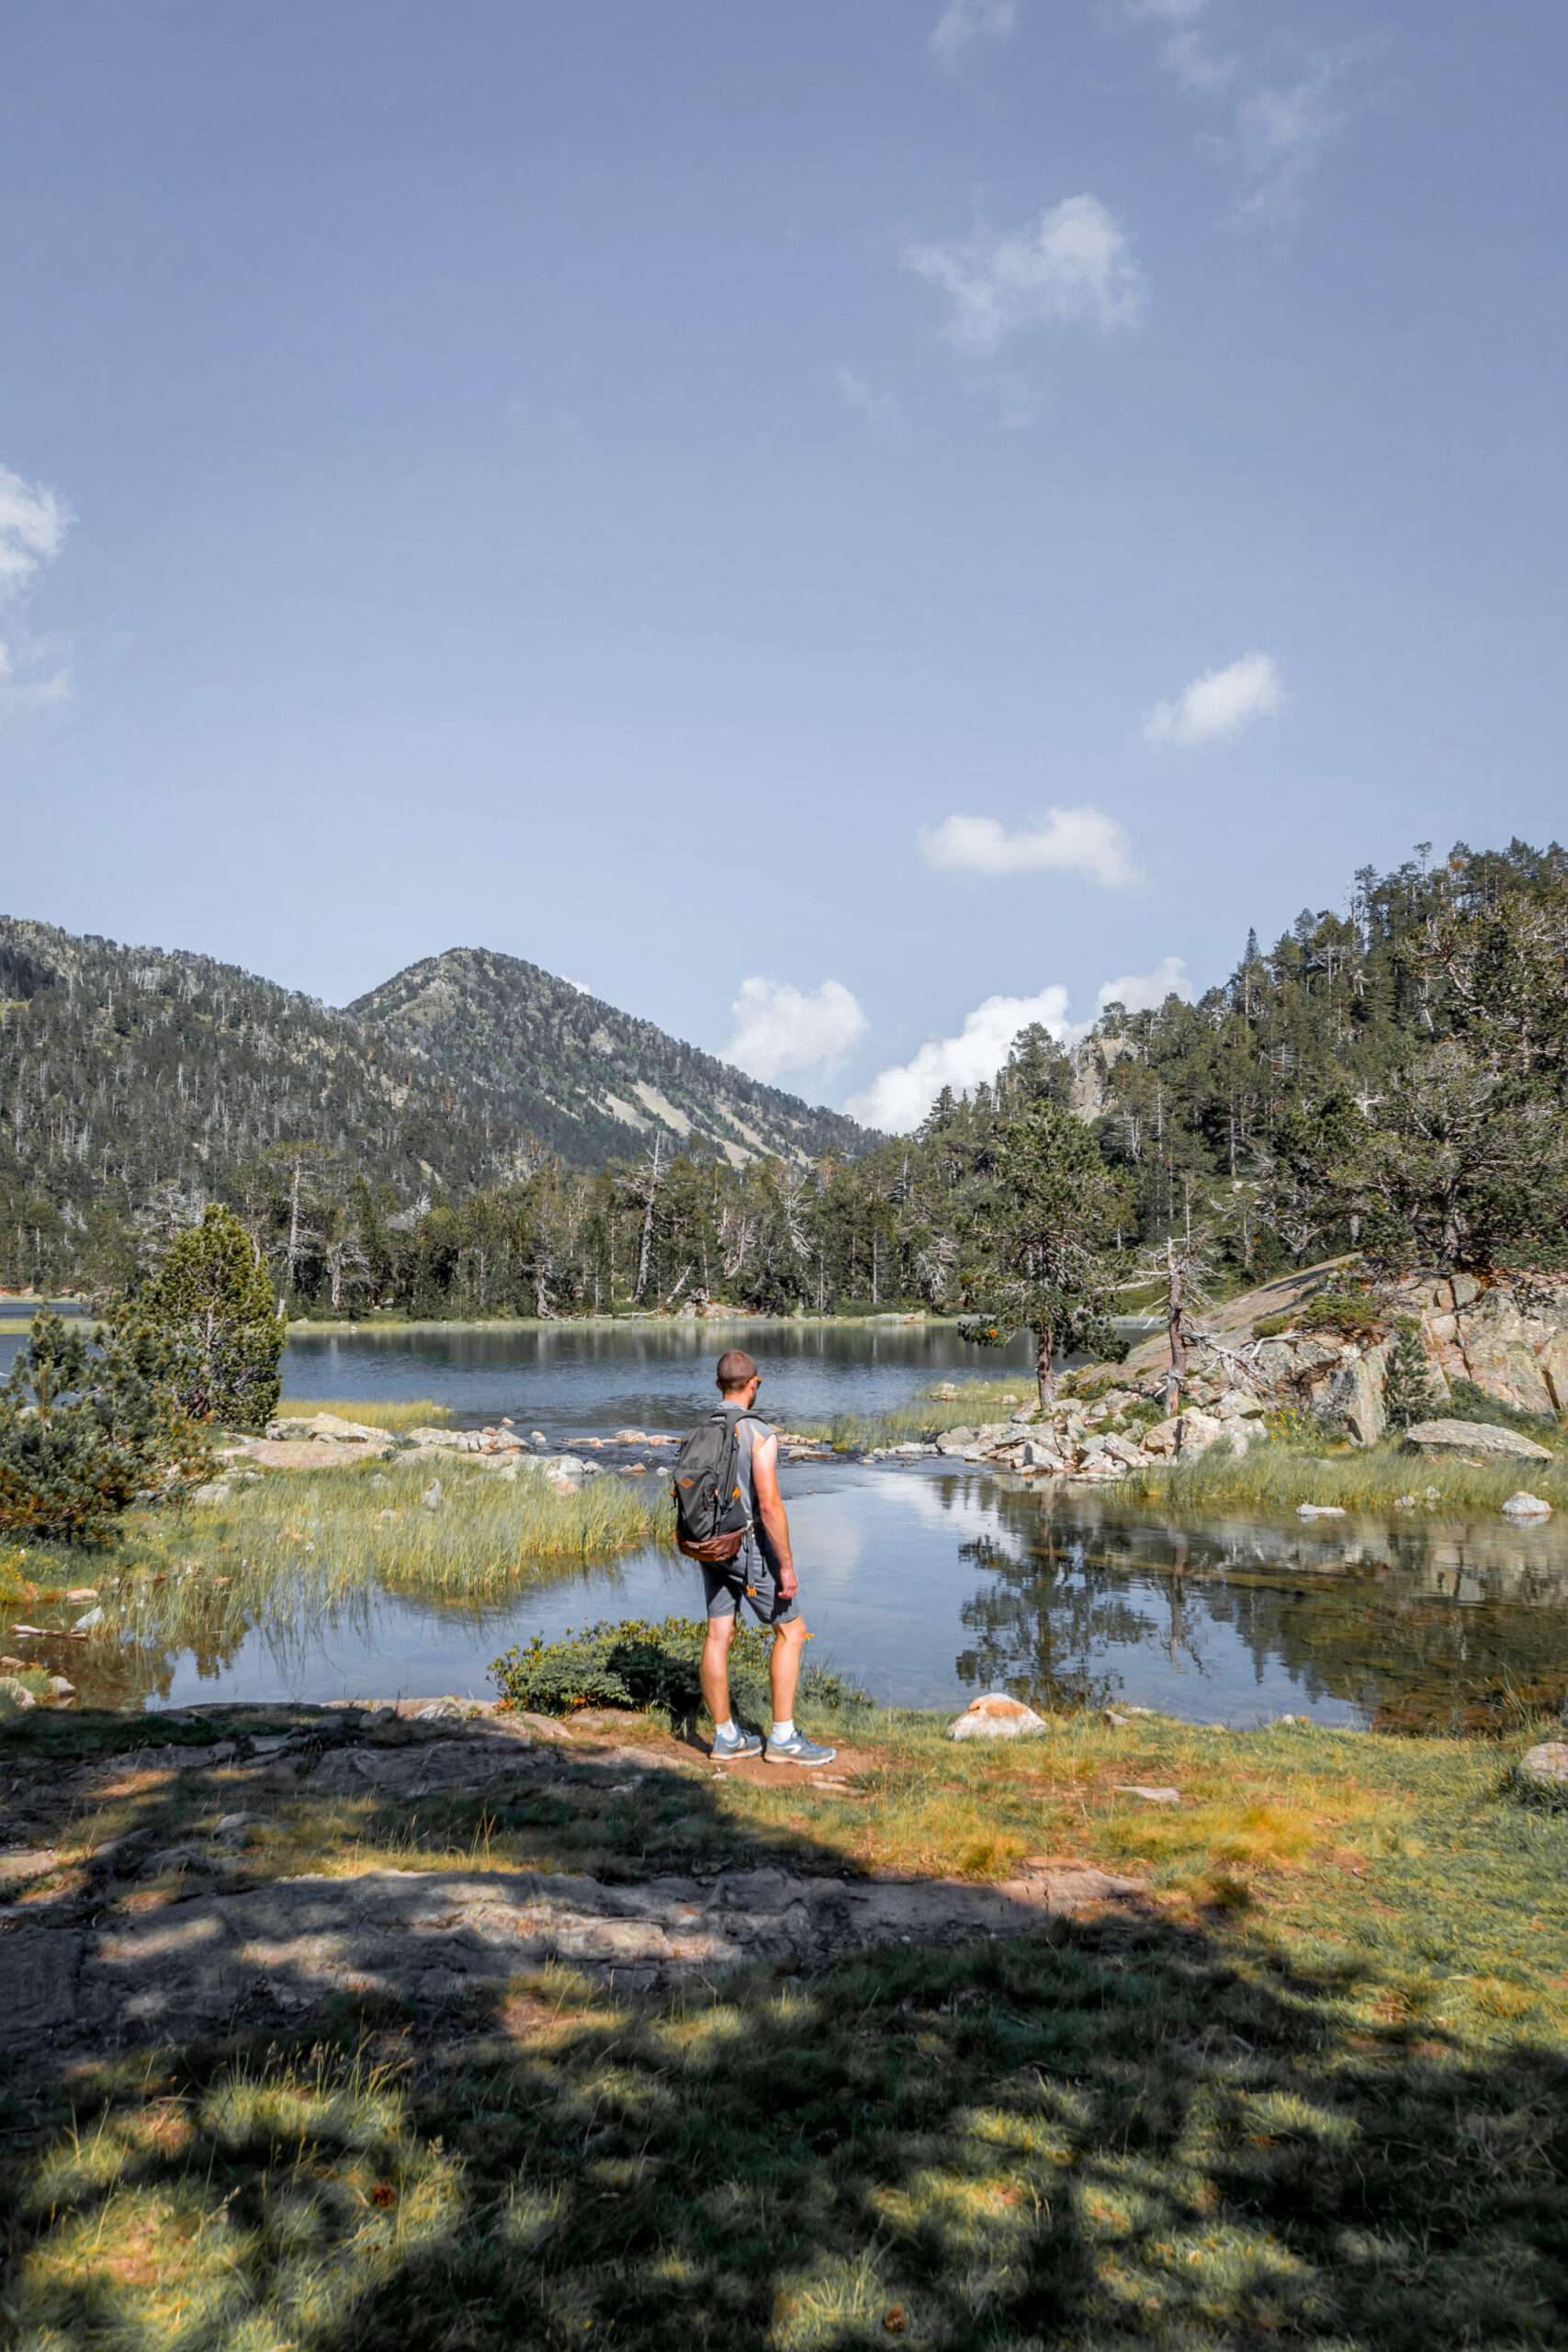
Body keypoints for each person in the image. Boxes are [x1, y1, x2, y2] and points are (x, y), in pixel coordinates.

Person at [698, 1349, 836, 1766]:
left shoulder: (704, 1425)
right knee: (792, 1632)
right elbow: (771, 1507)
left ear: (719, 1385)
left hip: (711, 1545)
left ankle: (725, 1738)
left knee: (719, 1634)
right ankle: (783, 1739)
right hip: (749, 1546)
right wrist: (788, 1566)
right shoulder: (758, 1432)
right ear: (753, 1384)